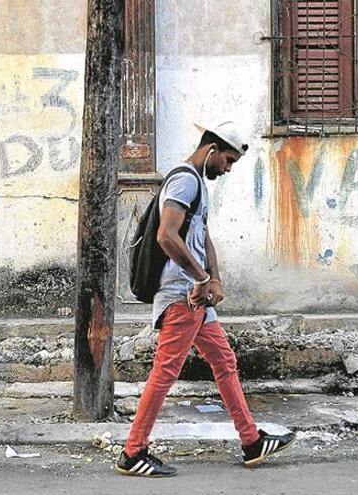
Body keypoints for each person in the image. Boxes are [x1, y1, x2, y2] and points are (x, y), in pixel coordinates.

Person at [116, 121, 296, 478]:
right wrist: (200, 279)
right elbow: (166, 236)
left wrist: (214, 277)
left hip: (198, 294)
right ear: (212, 149)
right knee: (165, 372)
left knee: (225, 361)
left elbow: (202, 235)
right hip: (184, 295)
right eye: (227, 160)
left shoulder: (197, 184)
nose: (227, 169)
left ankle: (251, 440)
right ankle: (133, 451)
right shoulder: (184, 179)